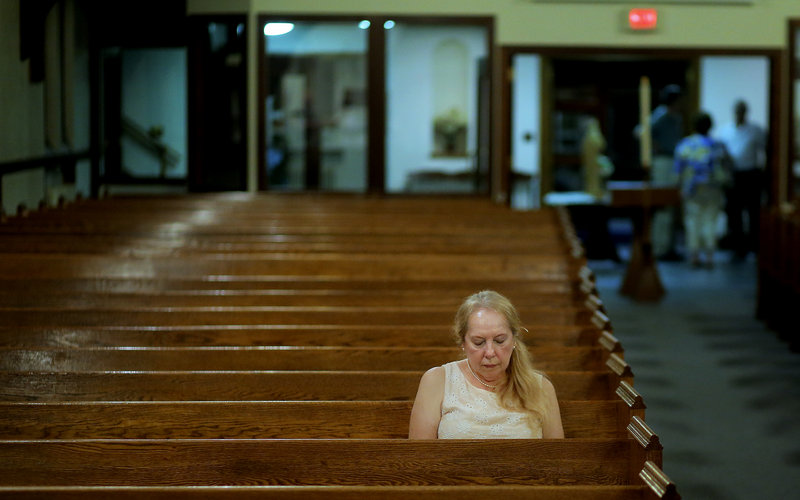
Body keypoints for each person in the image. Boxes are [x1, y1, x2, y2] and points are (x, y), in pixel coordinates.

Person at [408, 290, 564, 439]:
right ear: (463, 342)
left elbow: (557, 457)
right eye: (479, 342)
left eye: (500, 340)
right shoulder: (437, 380)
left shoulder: (541, 387)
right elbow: (419, 456)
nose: (490, 352)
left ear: (514, 339)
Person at [674, 112, 730, 268]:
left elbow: (679, 169)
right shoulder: (718, 145)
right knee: (710, 220)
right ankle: (709, 255)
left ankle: (694, 255)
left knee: (693, 220)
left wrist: (678, 187)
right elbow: (727, 166)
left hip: (692, 188)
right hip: (713, 188)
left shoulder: (685, 145)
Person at [718, 100, 767, 260]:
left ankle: (754, 244)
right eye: (737, 111)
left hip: (750, 174)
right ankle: (737, 246)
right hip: (733, 174)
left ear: (746, 112)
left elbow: (765, 149)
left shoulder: (755, 130)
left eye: (742, 111)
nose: (740, 114)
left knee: (753, 211)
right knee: (734, 212)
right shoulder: (725, 130)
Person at [649, 84, 685, 261]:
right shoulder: (660, 115)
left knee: (671, 205)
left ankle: (669, 246)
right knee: (663, 206)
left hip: (673, 160)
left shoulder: (675, 117)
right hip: (663, 160)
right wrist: (657, 148)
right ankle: (660, 247)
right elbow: (643, 132)